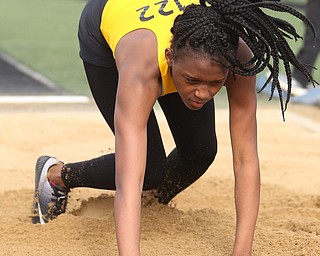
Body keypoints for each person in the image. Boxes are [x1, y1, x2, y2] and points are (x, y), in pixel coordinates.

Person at [31, 0, 316, 255]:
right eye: (192, 81)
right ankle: (56, 176)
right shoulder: (141, 72)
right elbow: (128, 180)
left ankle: (149, 204)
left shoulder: (236, 59)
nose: (202, 94)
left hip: (180, 43)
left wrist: (242, 251)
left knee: (201, 152)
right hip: (107, 23)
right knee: (150, 169)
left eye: (214, 83)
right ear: (170, 58)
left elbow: (245, 160)